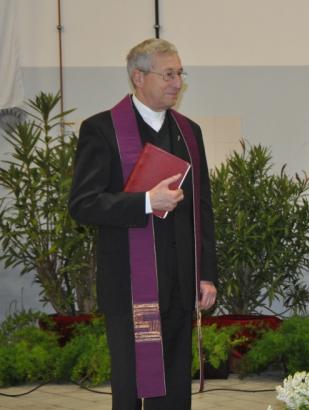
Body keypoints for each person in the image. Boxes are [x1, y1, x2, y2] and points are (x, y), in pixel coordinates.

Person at [69, 38, 217, 410]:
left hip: (181, 283)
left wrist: (206, 274)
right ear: (138, 77)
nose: (177, 82)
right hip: (129, 285)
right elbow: (83, 204)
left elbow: (203, 210)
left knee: (175, 389)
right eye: (168, 74)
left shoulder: (189, 132)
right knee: (132, 386)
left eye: (180, 73)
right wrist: (147, 202)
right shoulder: (102, 130)